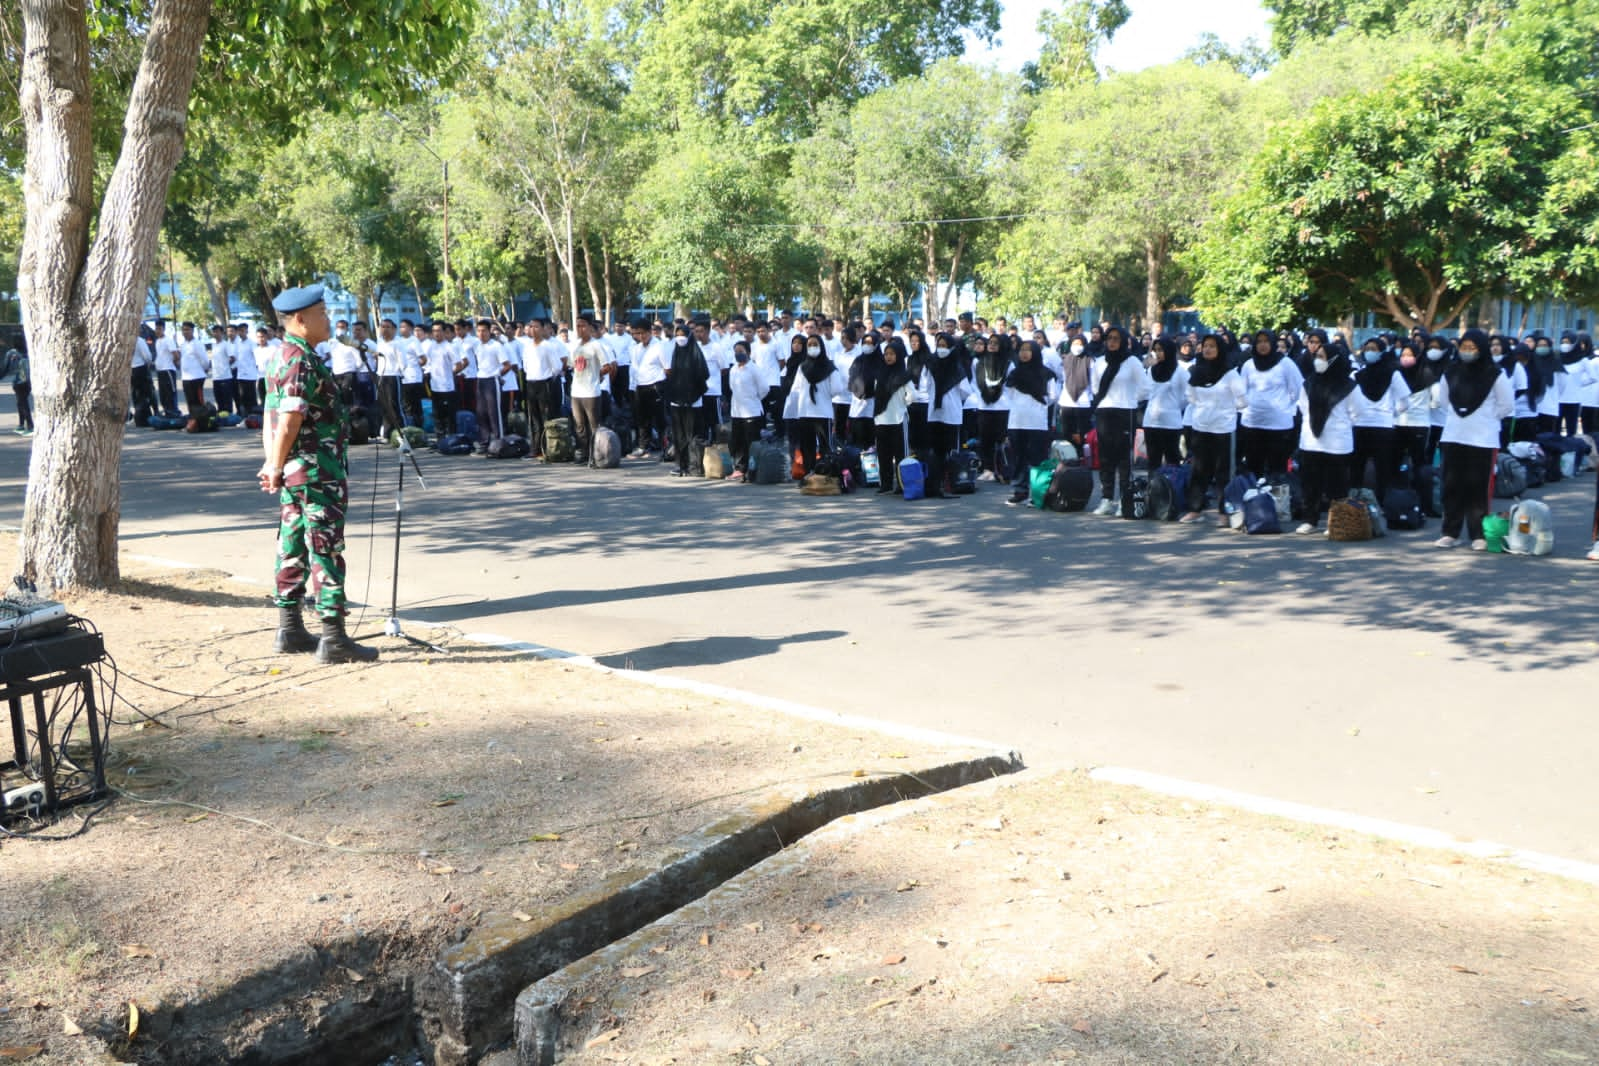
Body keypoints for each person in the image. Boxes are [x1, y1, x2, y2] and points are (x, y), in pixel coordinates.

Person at [259, 283, 377, 664]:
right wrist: (274, 464)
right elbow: (289, 418)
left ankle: (290, 628)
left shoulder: (281, 356)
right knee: (325, 547)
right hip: (315, 472)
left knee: (291, 543)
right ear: (300, 319)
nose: (327, 319)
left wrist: (273, 464)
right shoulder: (301, 360)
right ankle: (333, 637)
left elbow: (270, 415)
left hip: (295, 472)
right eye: (322, 313)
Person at [1436, 329, 1514, 550]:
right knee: (1451, 485)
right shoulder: (1450, 372)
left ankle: (1478, 534)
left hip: (1483, 438)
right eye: (1464, 347)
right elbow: (1444, 401)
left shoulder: (1495, 374)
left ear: (1481, 349)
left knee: (1477, 488)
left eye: (1472, 348)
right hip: (1454, 435)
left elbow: (1506, 405)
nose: (1467, 352)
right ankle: (1450, 532)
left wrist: (1487, 418)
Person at [1295, 343, 1359, 535]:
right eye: (1317, 356)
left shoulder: (1349, 386)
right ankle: (1310, 520)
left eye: (1323, 357)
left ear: (1334, 360)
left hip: (1338, 442)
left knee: (1337, 485)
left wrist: (1338, 425)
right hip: (1311, 441)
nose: (1318, 361)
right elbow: (1303, 408)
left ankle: (1336, 521)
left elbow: (1356, 413)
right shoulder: (1309, 383)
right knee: (1310, 483)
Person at [1182, 334, 1246, 523]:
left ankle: (1223, 512)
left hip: (1223, 429)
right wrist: (1206, 408)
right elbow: (1190, 397)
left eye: (1212, 346)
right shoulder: (1196, 372)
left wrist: (1224, 409)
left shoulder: (1230, 373)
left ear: (1220, 349)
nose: (1208, 349)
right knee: (1198, 469)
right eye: (1205, 346)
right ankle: (1195, 509)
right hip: (1200, 426)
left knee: (1223, 472)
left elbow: (1242, 401)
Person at [1088, 326, 1148, 515]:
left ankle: (1124, 500)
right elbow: (1096, 388)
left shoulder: (1132, 362)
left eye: (1116, 339)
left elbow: (1144, 388)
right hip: (1105, 411)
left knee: (1123, 458)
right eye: (1109, 338)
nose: (1112, 342)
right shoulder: (1099, 362)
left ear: (1123, 341)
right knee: (1105, 457)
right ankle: (1106, 499)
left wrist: (1130, 400)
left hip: (1125, 412)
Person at [1239, 328, 1304, 476]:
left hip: (1278, 426)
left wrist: (1283, 407)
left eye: (1266, 341)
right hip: (1252, 423)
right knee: (1253, 468)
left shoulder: (1286, 364)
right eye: (1259, 341)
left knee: (1277, 470)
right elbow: (1242, 391)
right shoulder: (1249, 365)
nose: (1263, 345)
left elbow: (1297, 390)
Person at [1349, 335, 1405, 501]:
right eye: (1367, 349)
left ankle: (1382, 503)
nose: (1369, 353)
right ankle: (1355, 507)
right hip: (1361, 425)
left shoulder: (1393, 374)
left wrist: (1389, 413)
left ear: (1382, 352)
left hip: (1382, 427)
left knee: (1382, 469)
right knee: (1356, 468)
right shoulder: (1357, 375)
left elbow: (1404, 401)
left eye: (1374, 349)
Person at [1003, 340, 1058, 505]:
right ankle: (1020, 491)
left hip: (1037, 422)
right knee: (1018, 457)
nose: (1024, 353)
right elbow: (1009, 394)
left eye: (1028, 350)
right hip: (1017, 421)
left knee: (1037, 458)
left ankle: (1037, 493)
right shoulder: (1014, 374)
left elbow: (1053, 396)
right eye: (1021, 350)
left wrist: (1037, 405)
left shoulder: (1046, 374)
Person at [921, 332, 972, 499]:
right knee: (937, 451)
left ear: (951, 347)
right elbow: (964, 392)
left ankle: (945, 484)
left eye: (944, 346)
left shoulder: (957, 367)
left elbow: (965, 390)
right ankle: (938, 485)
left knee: (946, 451)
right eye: (939, 345)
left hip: (948, 414)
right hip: (939, 413)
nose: (941, 349)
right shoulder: (930, 364)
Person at [787, 334, 846, 474]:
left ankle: (827, 473)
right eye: (810, 345)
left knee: (825, 445)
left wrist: (824, 394)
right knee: (807, 446)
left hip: (822, 412)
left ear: (821, 346)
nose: (812, 348)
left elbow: (837, 388)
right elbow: (796, 388)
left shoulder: (829, 367)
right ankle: (809, 473)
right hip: (805, 412)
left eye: (815, 345)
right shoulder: (802, 367)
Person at [661, 323, 709, 476]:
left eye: (683, 335)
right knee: (678, 435)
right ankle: (681, 465)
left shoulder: (696, 353)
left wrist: (691, 385)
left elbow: (704, 373)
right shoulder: (673, 352)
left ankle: (694, 465)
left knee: (692, 434)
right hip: (676, 400)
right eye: (678, 335)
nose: (680, 338)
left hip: (693, 401)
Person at [567, 315, 613, 465]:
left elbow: (607, 366)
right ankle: (584, 451)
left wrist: (598, 374)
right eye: (577, 326)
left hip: (591, 391)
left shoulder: (596, 345)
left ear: (590, 328)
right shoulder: (575, 345)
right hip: (576, 391)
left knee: (594, 425)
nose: (580, 329)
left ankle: (596, 454)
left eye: (583, 326)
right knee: (579, 425)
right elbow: (570, 365)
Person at [871, 338, 915, 494]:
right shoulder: (880, 374)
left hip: (898, 418)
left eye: (892, 354)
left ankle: (901, 483)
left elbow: (911, 396)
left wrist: (903, 401)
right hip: (881, 419)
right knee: (883, 454)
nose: (888, 357)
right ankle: (886, 483)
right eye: (886, 354)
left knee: (900, 453)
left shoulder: (904, 375)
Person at [726, 339, 769, 481]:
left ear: (748, 353)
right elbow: (732, 388)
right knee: (738, 442)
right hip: (736, 411)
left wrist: (753, 399)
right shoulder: (733, 369)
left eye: (741, 351)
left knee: (751, 442)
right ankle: (739, 469)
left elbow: (764, 389)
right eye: (736, 352)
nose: (738, 354)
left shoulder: (754, 369)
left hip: (752, 412)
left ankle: (753, 470)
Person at [972, 332, 1013, 481]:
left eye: (996, 343)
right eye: (990, 343)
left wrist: (998, 396)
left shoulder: (1008, 363)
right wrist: (984, 396)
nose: (992, 345)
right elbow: (976, 383)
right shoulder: (979, 362)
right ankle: (988, 469)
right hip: (984, 405)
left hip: (1002, 406)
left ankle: (1002, 470)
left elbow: (1009, 387)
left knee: (1002, 439)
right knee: (985, 439)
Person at [1142, 337, 1187, 467]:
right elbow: (1148, 392)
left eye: (1161, 350)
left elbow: (1188, 395)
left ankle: (1172, 486)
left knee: (1172, 460)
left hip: (1171, 423)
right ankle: (1153, 486)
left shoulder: (1180, 372)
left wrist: (1174, 407)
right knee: (1153, 461)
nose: (1158, 353)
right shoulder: (1151, 370)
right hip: (1151, 422)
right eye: (1155, 350)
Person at [178, 321, 210, 415]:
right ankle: (193, 420)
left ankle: (201, 420)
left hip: (197, 377)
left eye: (187, 330)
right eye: (183, 330)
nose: (185, 332)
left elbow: (205, 361)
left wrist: (204, 369)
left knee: (198, 401)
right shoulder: (183, 345)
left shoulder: (197, 344)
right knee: (190, 401)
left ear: (192, 331)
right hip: (186, 377)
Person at [11, 342, 32, 436]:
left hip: (22, 385)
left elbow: (25, 374)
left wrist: (21, 382)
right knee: (20, 405)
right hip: (20, 384)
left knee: (23, 405)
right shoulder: (20, 359)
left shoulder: (23, 360)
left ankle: (30, 426)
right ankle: (21, 424)